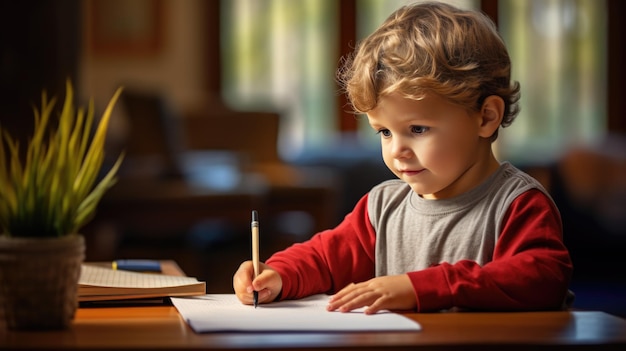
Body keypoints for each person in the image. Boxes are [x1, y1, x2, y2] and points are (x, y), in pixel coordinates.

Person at [233, 1, 573, 314]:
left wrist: (420, 287)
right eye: (384, 132)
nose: (396, 150)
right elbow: (324, 257)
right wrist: (277, 273)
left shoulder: (518, 203)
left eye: (418, 129)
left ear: (485, 117)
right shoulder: (382, 208)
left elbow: (542, 278)